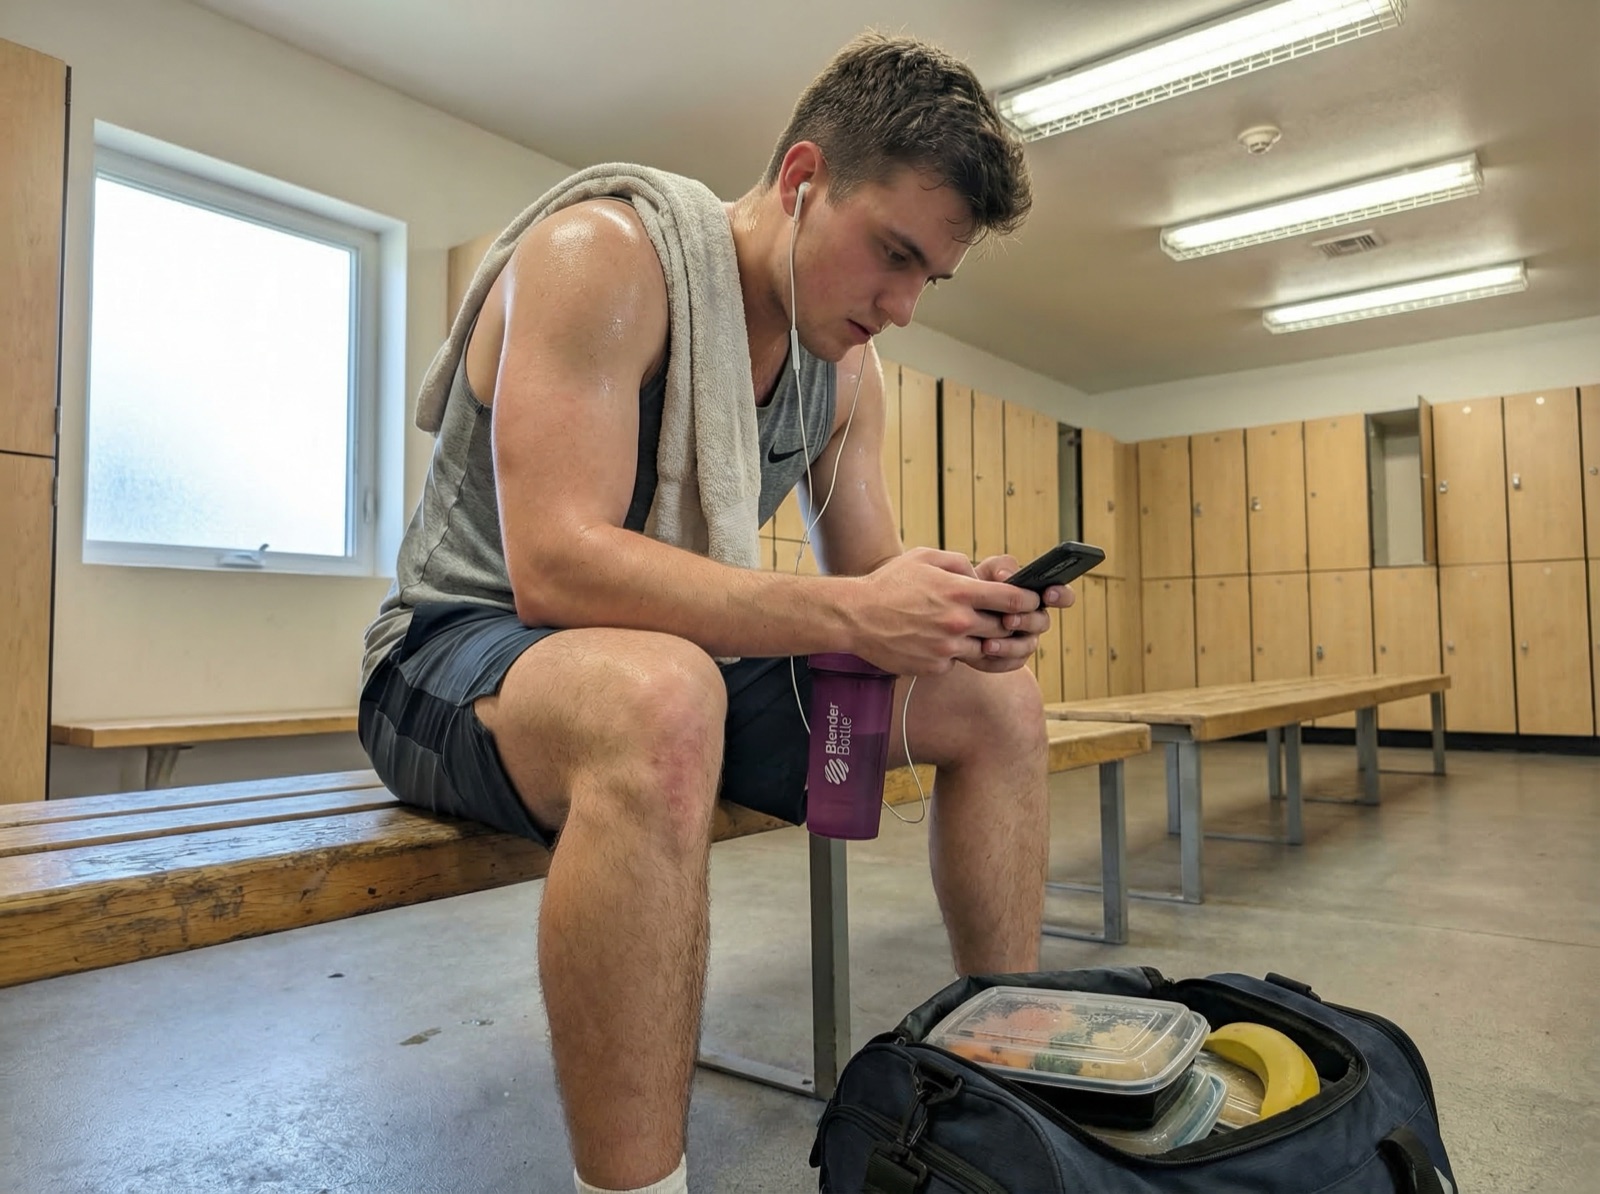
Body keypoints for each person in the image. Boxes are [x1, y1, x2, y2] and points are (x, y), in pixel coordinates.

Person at [358, 31, 1072, 1194]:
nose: (899, 306)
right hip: (456, 655)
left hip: (669, 668)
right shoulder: (600, 257)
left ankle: (1013, 1101)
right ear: (802, 181)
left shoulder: (845, 370)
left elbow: (866, 576)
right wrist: (854, 610)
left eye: (927, 280)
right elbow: (555, 569)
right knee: (664, 694)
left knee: (992, 700)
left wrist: (958, 610)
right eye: (890, 254)